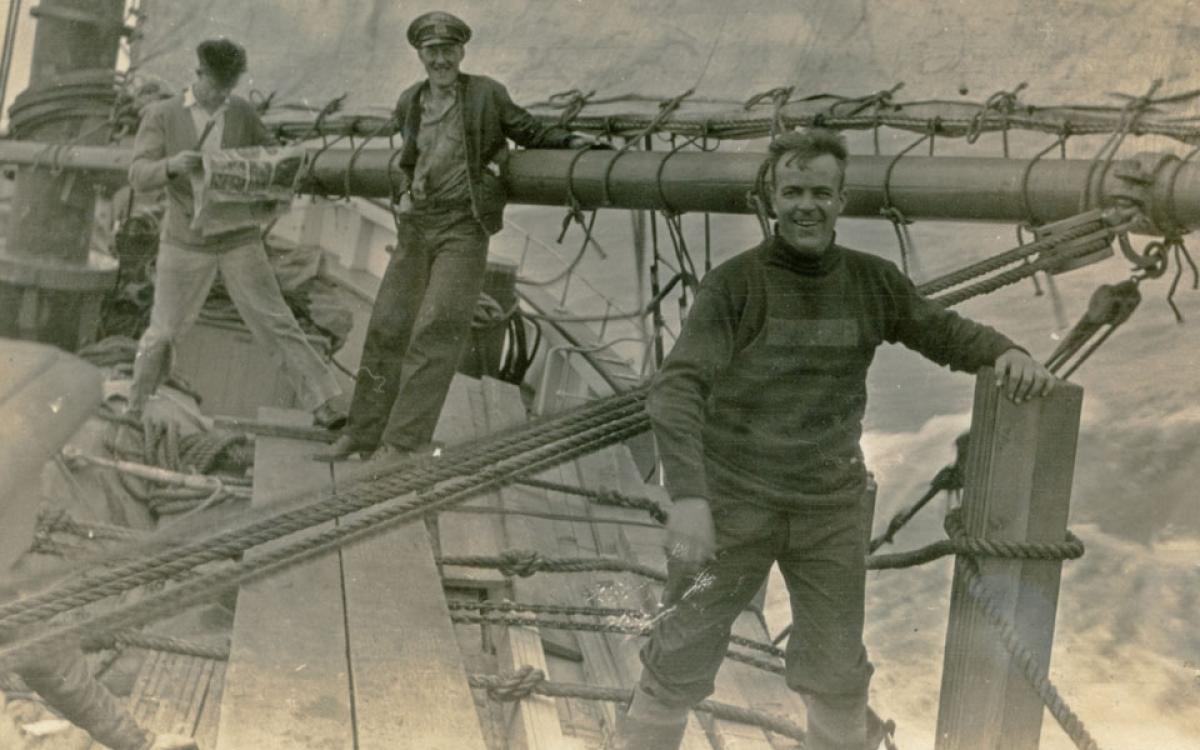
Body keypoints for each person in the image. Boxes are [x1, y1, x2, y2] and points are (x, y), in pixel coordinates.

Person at [613, 129, 1056, 750]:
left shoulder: (871, 282)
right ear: (770, 197)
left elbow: (941, 331)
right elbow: (676, 389)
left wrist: (1006, 351)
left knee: (837, 676)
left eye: (821, 191)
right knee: (679, 653)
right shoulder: (735, 286)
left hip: (829, 511)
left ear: (841, 200)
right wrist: (690, 499)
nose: (806, 205)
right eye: (792, 190)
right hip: (735, 505)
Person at [317, 11, 603, 461]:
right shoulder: (410, 102)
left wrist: (573, 144)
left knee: (436, 330)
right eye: (432, 51)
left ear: (462, 52)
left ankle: (402, 442)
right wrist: (404, 191)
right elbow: (408, 161)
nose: (441, 59)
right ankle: (362, 431)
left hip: (462, 229)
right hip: (416, 227)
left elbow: (528, 130)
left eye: (449, 50)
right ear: (420, 55)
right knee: (387, 326)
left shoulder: (487, 94)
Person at [127, 38, 345, 428]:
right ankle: (135, 404)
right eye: (216, 86)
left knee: (277, 321)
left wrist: (284, 161)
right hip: (185, 241)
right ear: (198, 74)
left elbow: (266, 153)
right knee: (163, 332)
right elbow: (138, 175)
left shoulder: (242, 112)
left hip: (238, 237)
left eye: (228, 88)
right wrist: (172, 165)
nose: (221, 95)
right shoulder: (162, 114)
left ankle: (324, 403)